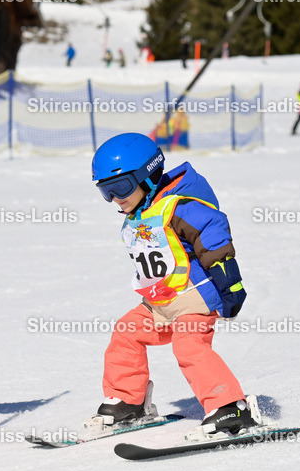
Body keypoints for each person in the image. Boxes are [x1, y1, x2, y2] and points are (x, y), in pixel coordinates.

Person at [85, 133, 260, 442]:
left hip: (195, 299)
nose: (115, 198)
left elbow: (212, 232)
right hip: (161, 303)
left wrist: (228, 278)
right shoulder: (140, 214)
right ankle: (128, 402)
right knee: (126, 332)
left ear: (148, 175)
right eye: (106, 192)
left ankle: (230, 407)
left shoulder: (178, 205)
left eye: (121, 187)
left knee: (189, 346)